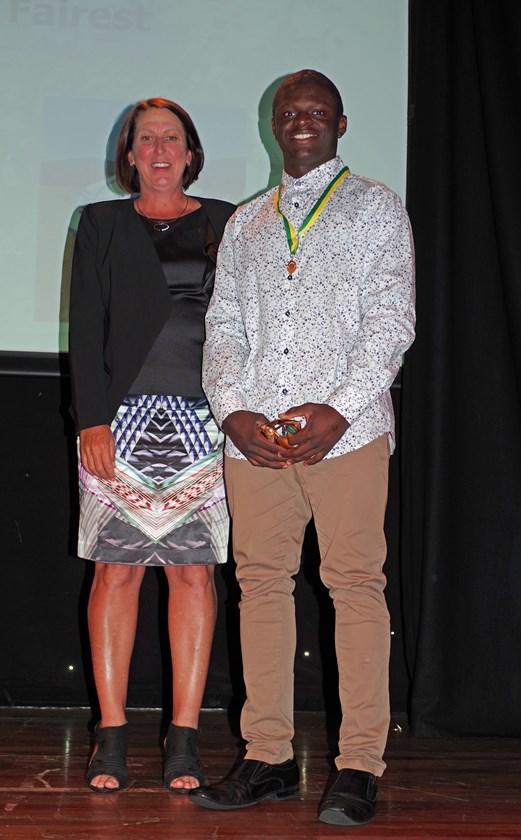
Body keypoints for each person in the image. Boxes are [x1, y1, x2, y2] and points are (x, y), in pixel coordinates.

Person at [191, 70, 415, 826]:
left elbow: (392, 320)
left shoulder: (376, 206)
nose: (301, 122)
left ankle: (359, 765)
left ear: (340, 123)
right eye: (289, 112)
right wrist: (232, 411)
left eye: (316, 111)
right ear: (273, 124)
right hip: (255, 438)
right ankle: (268, 758)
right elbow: (223, 326)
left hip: (345, 435)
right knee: (260, 585)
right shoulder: (246, 222)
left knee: (353, 585)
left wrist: (340, 410)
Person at [69, 97, 235, 794]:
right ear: (130, 155)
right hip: (121, 425)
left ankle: (183, 739)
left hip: (205, 424)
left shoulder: (227, 220)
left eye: (172, 138)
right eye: (146, 139)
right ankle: (110, 737)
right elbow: (85, 327)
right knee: (116, 574)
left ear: (190, 153)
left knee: (194, 576)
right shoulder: (101, 223)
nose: (160, 149)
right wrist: (91, 420)